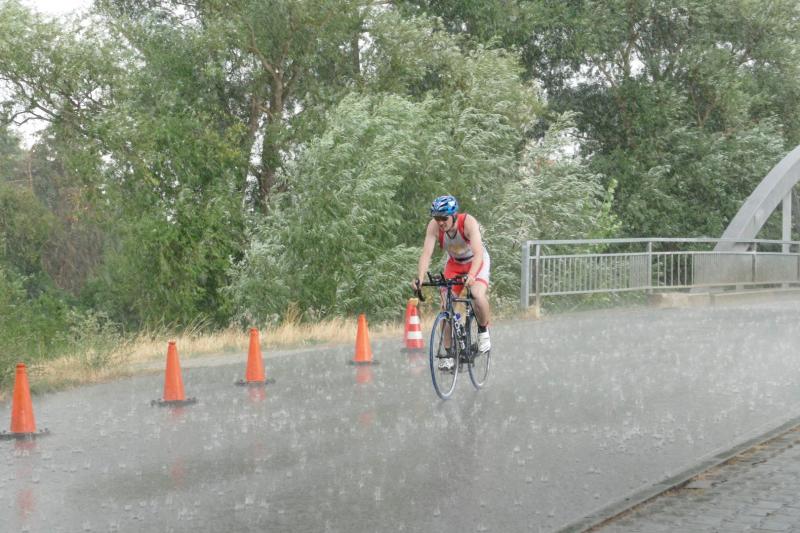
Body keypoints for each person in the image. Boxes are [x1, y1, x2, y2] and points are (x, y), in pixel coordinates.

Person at [414, 194, 491, 367]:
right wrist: (420, 277)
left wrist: (472, 275)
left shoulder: (468, 222)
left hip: (476, 261)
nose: (440, 222)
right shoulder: (434, 227)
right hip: (455, 264)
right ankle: (448, 353)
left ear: (454, 215)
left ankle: (483, 330)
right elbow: (426, 254)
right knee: (446, 305)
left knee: (476, 294)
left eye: (444, 218)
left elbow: (478, 253)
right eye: (437, 218)